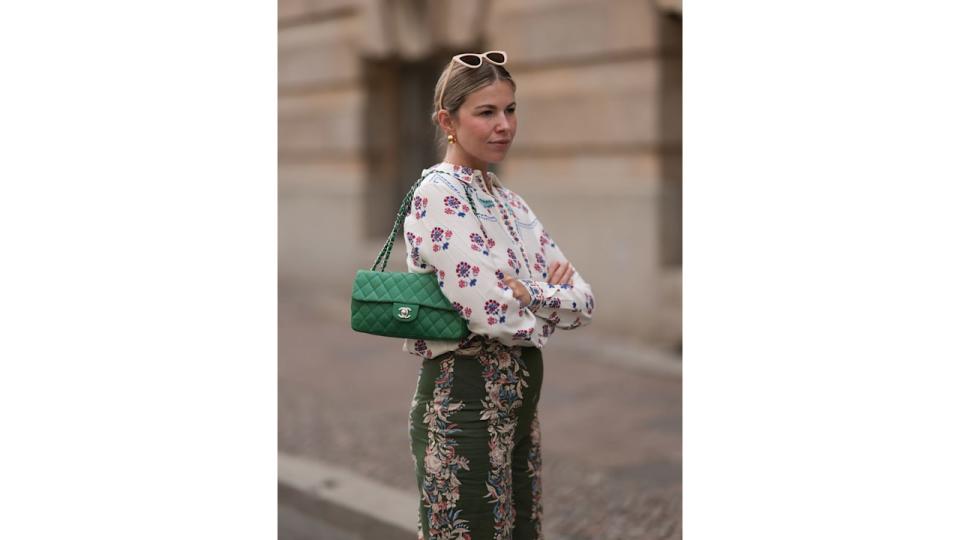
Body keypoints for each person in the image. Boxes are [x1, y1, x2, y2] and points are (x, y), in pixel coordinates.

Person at [404, 51, 596, 540]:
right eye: (486, 112)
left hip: (521, 410)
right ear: (447, 120)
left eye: (510, 110)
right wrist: (547, 295)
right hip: (464, 409)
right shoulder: (438, 195)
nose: (504, 125)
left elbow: (585, 301)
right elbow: (491, 314)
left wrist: (528, 291)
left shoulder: (509, 201)